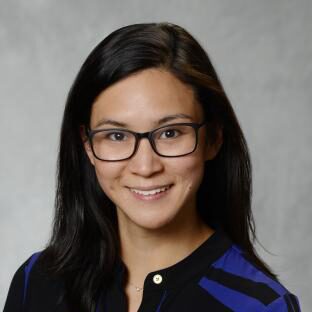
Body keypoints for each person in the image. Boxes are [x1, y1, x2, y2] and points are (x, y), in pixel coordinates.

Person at [4, 22, 300, 312]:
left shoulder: (259, 306)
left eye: (171, 132)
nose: (145, 166)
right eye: (117, 136)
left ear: (213, 138)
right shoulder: (39, 282)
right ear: (88, 145)